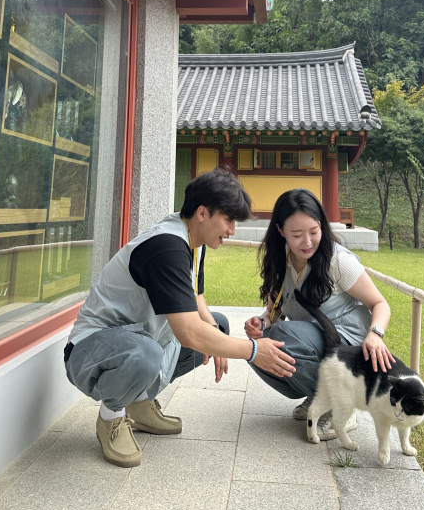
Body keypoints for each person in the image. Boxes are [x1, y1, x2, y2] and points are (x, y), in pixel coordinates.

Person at [64, 168, 295, 467]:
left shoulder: (190, 238)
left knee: (218, 326)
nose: (232, 230)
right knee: (148, 353)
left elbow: (195, 296)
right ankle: (111, 417)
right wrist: (252, 351)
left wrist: (217, 334)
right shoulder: (168, 247)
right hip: (88, 353)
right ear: (202, 213)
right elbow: (189, 333)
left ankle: (139, 403)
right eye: (228, 220)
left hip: (132, 340)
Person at [244, 188, 395, 438]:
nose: (307, 242)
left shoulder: (337, 261)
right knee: (257, 348)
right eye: (297, 234)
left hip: (350, 344)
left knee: (282, 334)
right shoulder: (280, 260)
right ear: (281, 231)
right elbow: (274, 312)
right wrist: (260, 323)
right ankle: (318, 396)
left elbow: (380, 304)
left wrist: (376, 334)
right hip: (317, 341)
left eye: (314, 232)